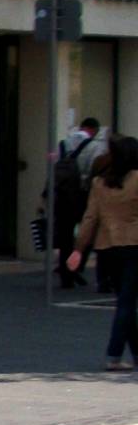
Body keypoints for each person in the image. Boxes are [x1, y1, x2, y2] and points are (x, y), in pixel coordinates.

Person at [66, 133, 138, 369]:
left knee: (124, 301)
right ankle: (113, 355)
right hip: (134, 245)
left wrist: (78, 249)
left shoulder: (99, 183)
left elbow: (90, 218)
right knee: (127, 303)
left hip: (108, 248)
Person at [50, 118, 101, 289]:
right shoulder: (94, 146)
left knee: (64, 233)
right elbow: (94, 171)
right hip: (82, 195)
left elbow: (54, 167)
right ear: (94, 130)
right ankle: (75, 266)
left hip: (62, 195)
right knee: (86, 233)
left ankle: (65, 273)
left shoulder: (63, 144)